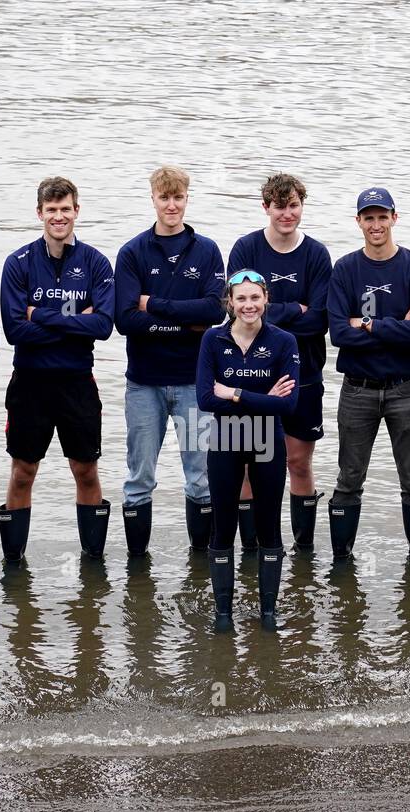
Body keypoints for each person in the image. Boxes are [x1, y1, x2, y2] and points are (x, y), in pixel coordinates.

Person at [0, 177, 115, 563]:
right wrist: (73, 321)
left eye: (66, 209)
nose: (59, 216)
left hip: (77, 382)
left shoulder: (96, 262)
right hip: (30, 383)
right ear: (40, 214)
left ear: (76, 211)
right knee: (22, 472)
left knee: (85, 472)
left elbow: (102, 326)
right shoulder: (18, 263)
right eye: (51, 210)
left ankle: (93, 560)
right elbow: (15, 331)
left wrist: (40, 316)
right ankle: (14, 563)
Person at [114, 165, 225, 555]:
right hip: (143, 384)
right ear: (153, 199)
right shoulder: (132, 252)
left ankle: (201, 560)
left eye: (178, 198)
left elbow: (214, 311)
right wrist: (183, 323)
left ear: (186, 199)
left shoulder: (207, 250)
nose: (172, 205)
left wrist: (156, 307)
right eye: (165, 198)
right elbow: (125, 319)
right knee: (139, 477)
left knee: (201, 477)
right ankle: (137, 566)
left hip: (195, 385)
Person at [326, 187, 410, 561]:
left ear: (394, 218)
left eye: (382, 216)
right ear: (358, 222)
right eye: (368, 217)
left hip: (406, 388)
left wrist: (366, 325)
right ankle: (342, 561)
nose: (376, 224)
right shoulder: (344, 269)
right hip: (357, 389)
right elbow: (339, 333)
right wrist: (394, 325)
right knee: (348, 479)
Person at [227, 173, 332, 552]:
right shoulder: (246, 248)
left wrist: (267, 313)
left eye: (293, 206)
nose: (286, 214)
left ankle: (302, 548)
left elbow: (318, 318)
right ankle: (253, 547)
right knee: (247, 464)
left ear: (301, 206)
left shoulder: (317, 254)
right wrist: (292, 309)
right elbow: (241, 312)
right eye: (279, 206)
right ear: (266, 208)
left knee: (297, 462)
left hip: (303, 372)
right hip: (250, 372)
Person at [196, 271, 299, 630]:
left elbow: (288, 407)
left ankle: (268, 613)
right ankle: (223, 614)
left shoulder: (284, 341)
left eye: (255, 298)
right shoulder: (213, 339)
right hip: (224, 439)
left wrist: (235, 393)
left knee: (269, 527)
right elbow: (206, 399)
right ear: (230, 303)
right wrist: (264, 398)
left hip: (268, 439)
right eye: (241, 299)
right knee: (222, 528)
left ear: (266, 299)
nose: (248, 305)